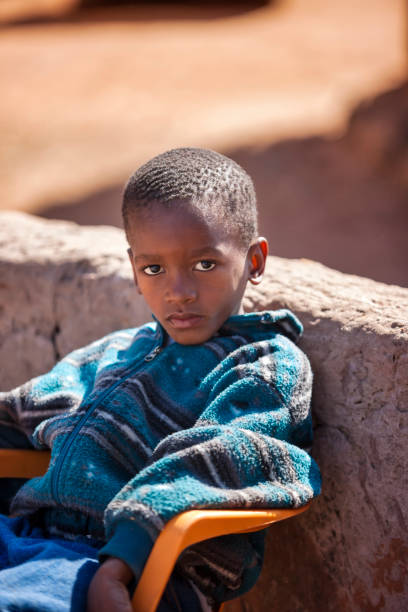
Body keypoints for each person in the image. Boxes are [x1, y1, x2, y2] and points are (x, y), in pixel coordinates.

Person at [0, 148, 321, 612]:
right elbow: (26, 410)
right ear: (134, 270)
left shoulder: (262, 366)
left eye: (205, 264)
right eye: (154, 269)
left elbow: (216, 458)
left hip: (110, 567)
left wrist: (120, 564)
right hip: (25, 537)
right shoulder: (118, 349)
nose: (179, 291)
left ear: (254, 261)